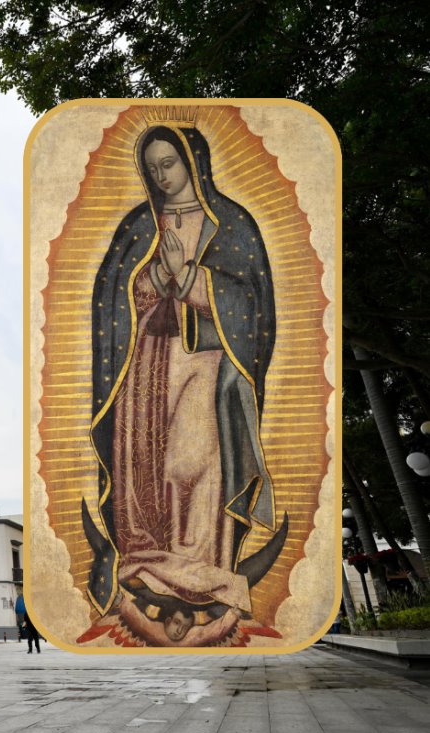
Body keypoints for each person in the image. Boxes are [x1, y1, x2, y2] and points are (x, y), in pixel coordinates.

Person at [85, 117, 280, 647]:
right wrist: (155, 277)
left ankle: (202, 567)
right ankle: (148, 562)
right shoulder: (137, 226)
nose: (162, 175)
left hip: (205, 361)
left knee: (193, 464)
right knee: (144, 468)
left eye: (169, 163)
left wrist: (190, 278)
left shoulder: (232, 224)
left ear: (193, 163)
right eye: (152, 168)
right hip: (146, 364)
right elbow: (111, 300)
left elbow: (254, 308)